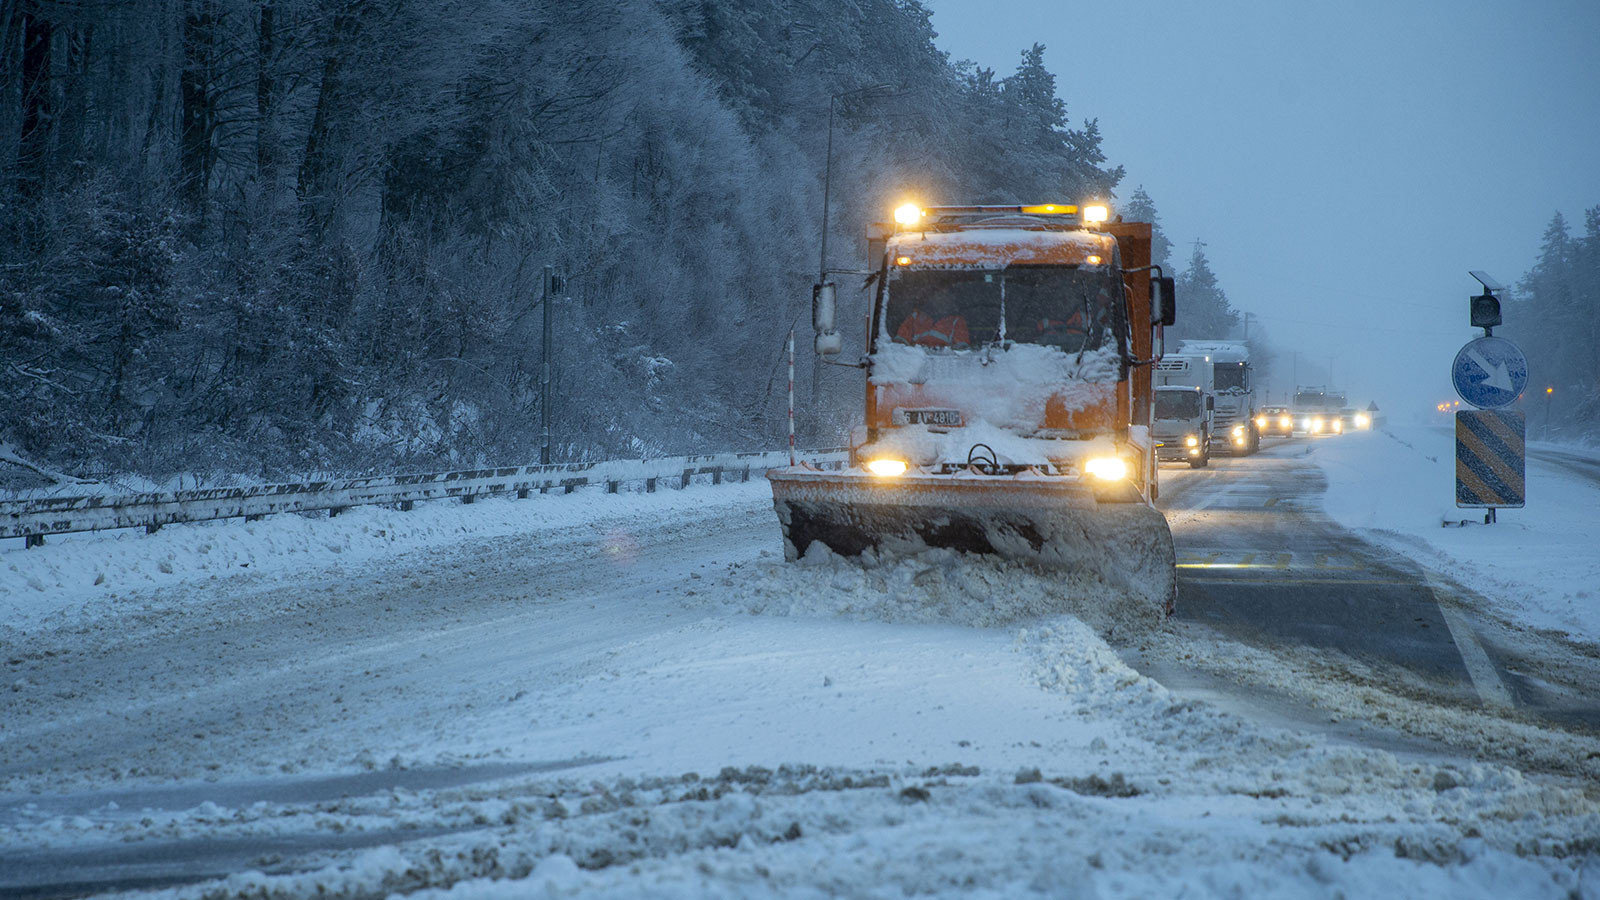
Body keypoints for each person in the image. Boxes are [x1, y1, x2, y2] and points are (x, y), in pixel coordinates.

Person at [895, 308, 970, 348]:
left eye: (944, 295)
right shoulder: (915, 317)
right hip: (914, 365)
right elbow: (899, 348)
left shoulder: (956, 321)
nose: (939, 299)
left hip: (944, 366)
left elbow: (962, 353)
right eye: (937, 294)